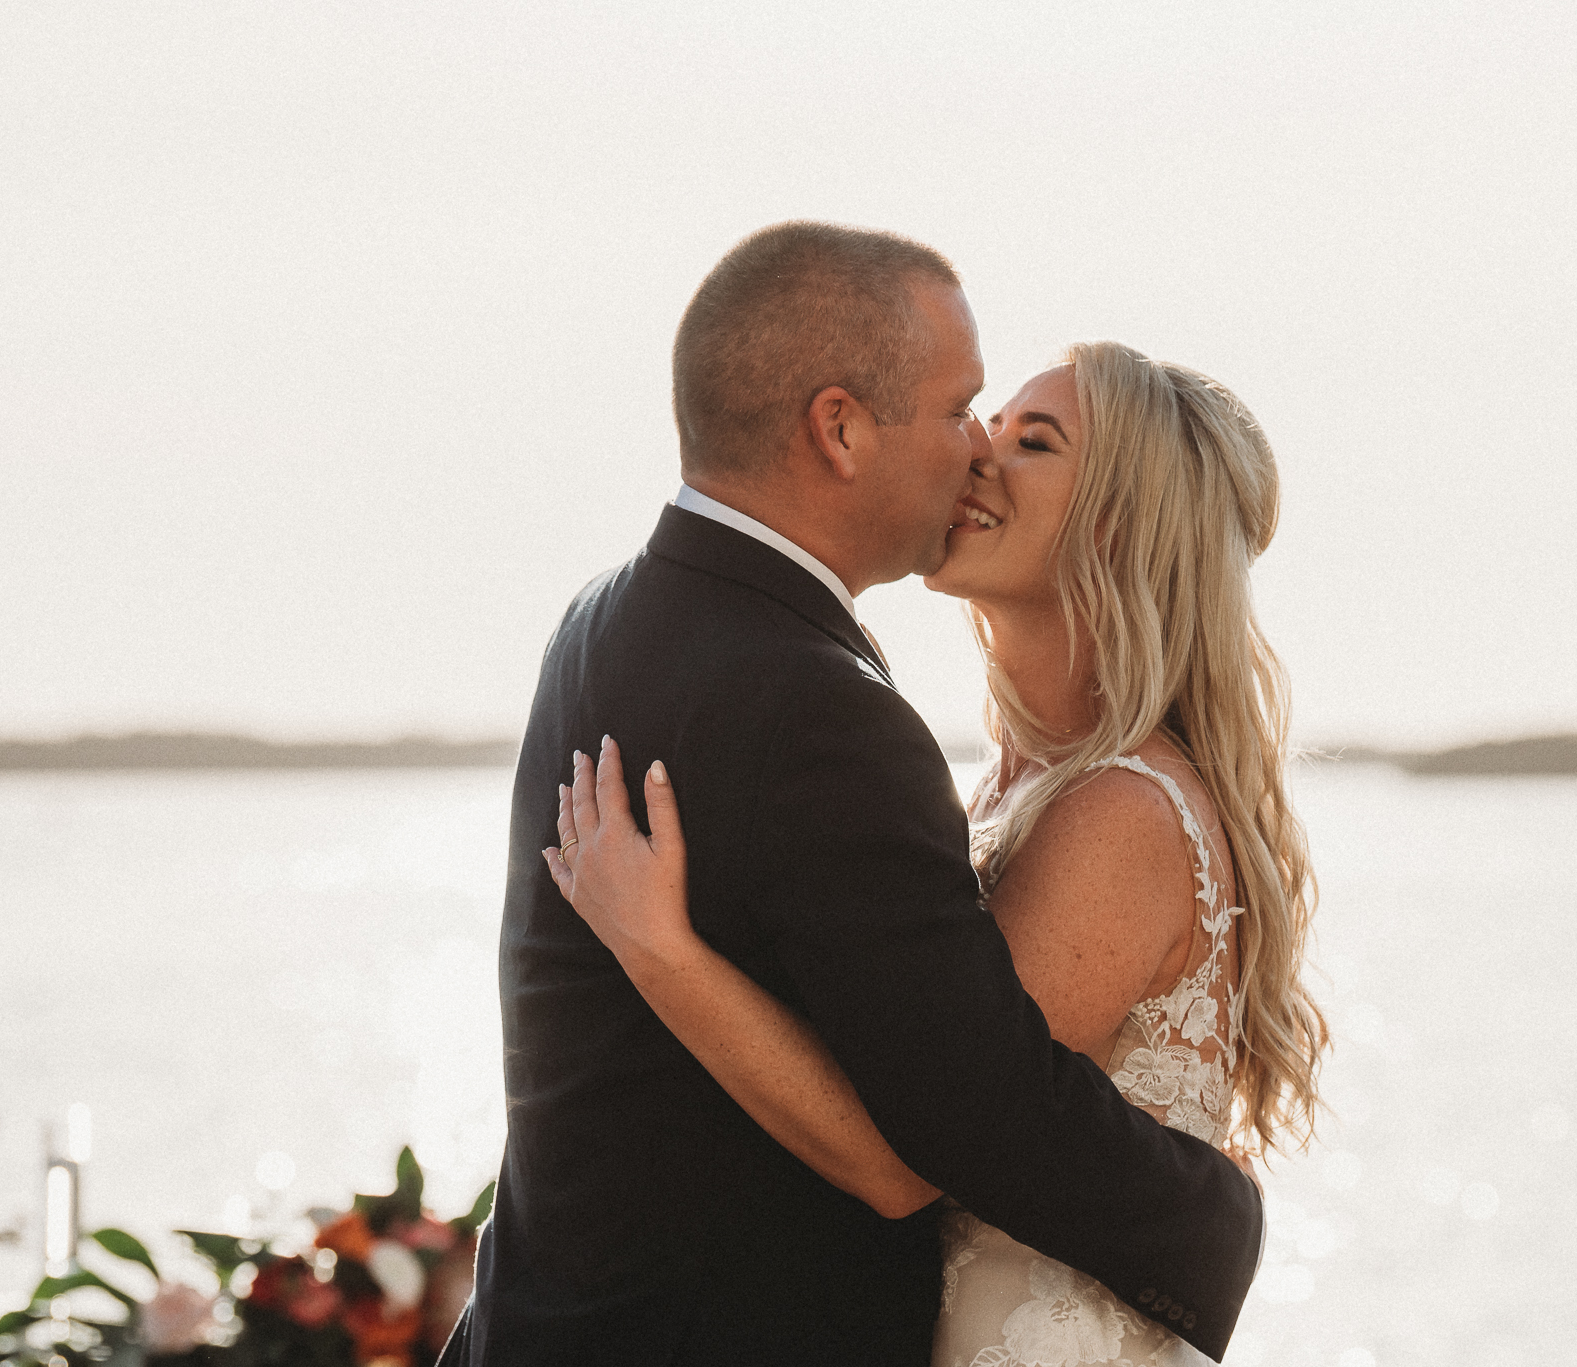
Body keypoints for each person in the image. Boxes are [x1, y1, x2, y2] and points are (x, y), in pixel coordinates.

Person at [440, 222, 1264, 1367]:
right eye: (963, 409)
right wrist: (1210, 1212)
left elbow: (936, 1128)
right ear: (838, 426)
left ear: (1118, 519)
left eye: (1024, 436)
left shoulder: (605, 618)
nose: (974, 449)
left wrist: (664, 952)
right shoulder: (816, 706)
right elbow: (927, 1138)